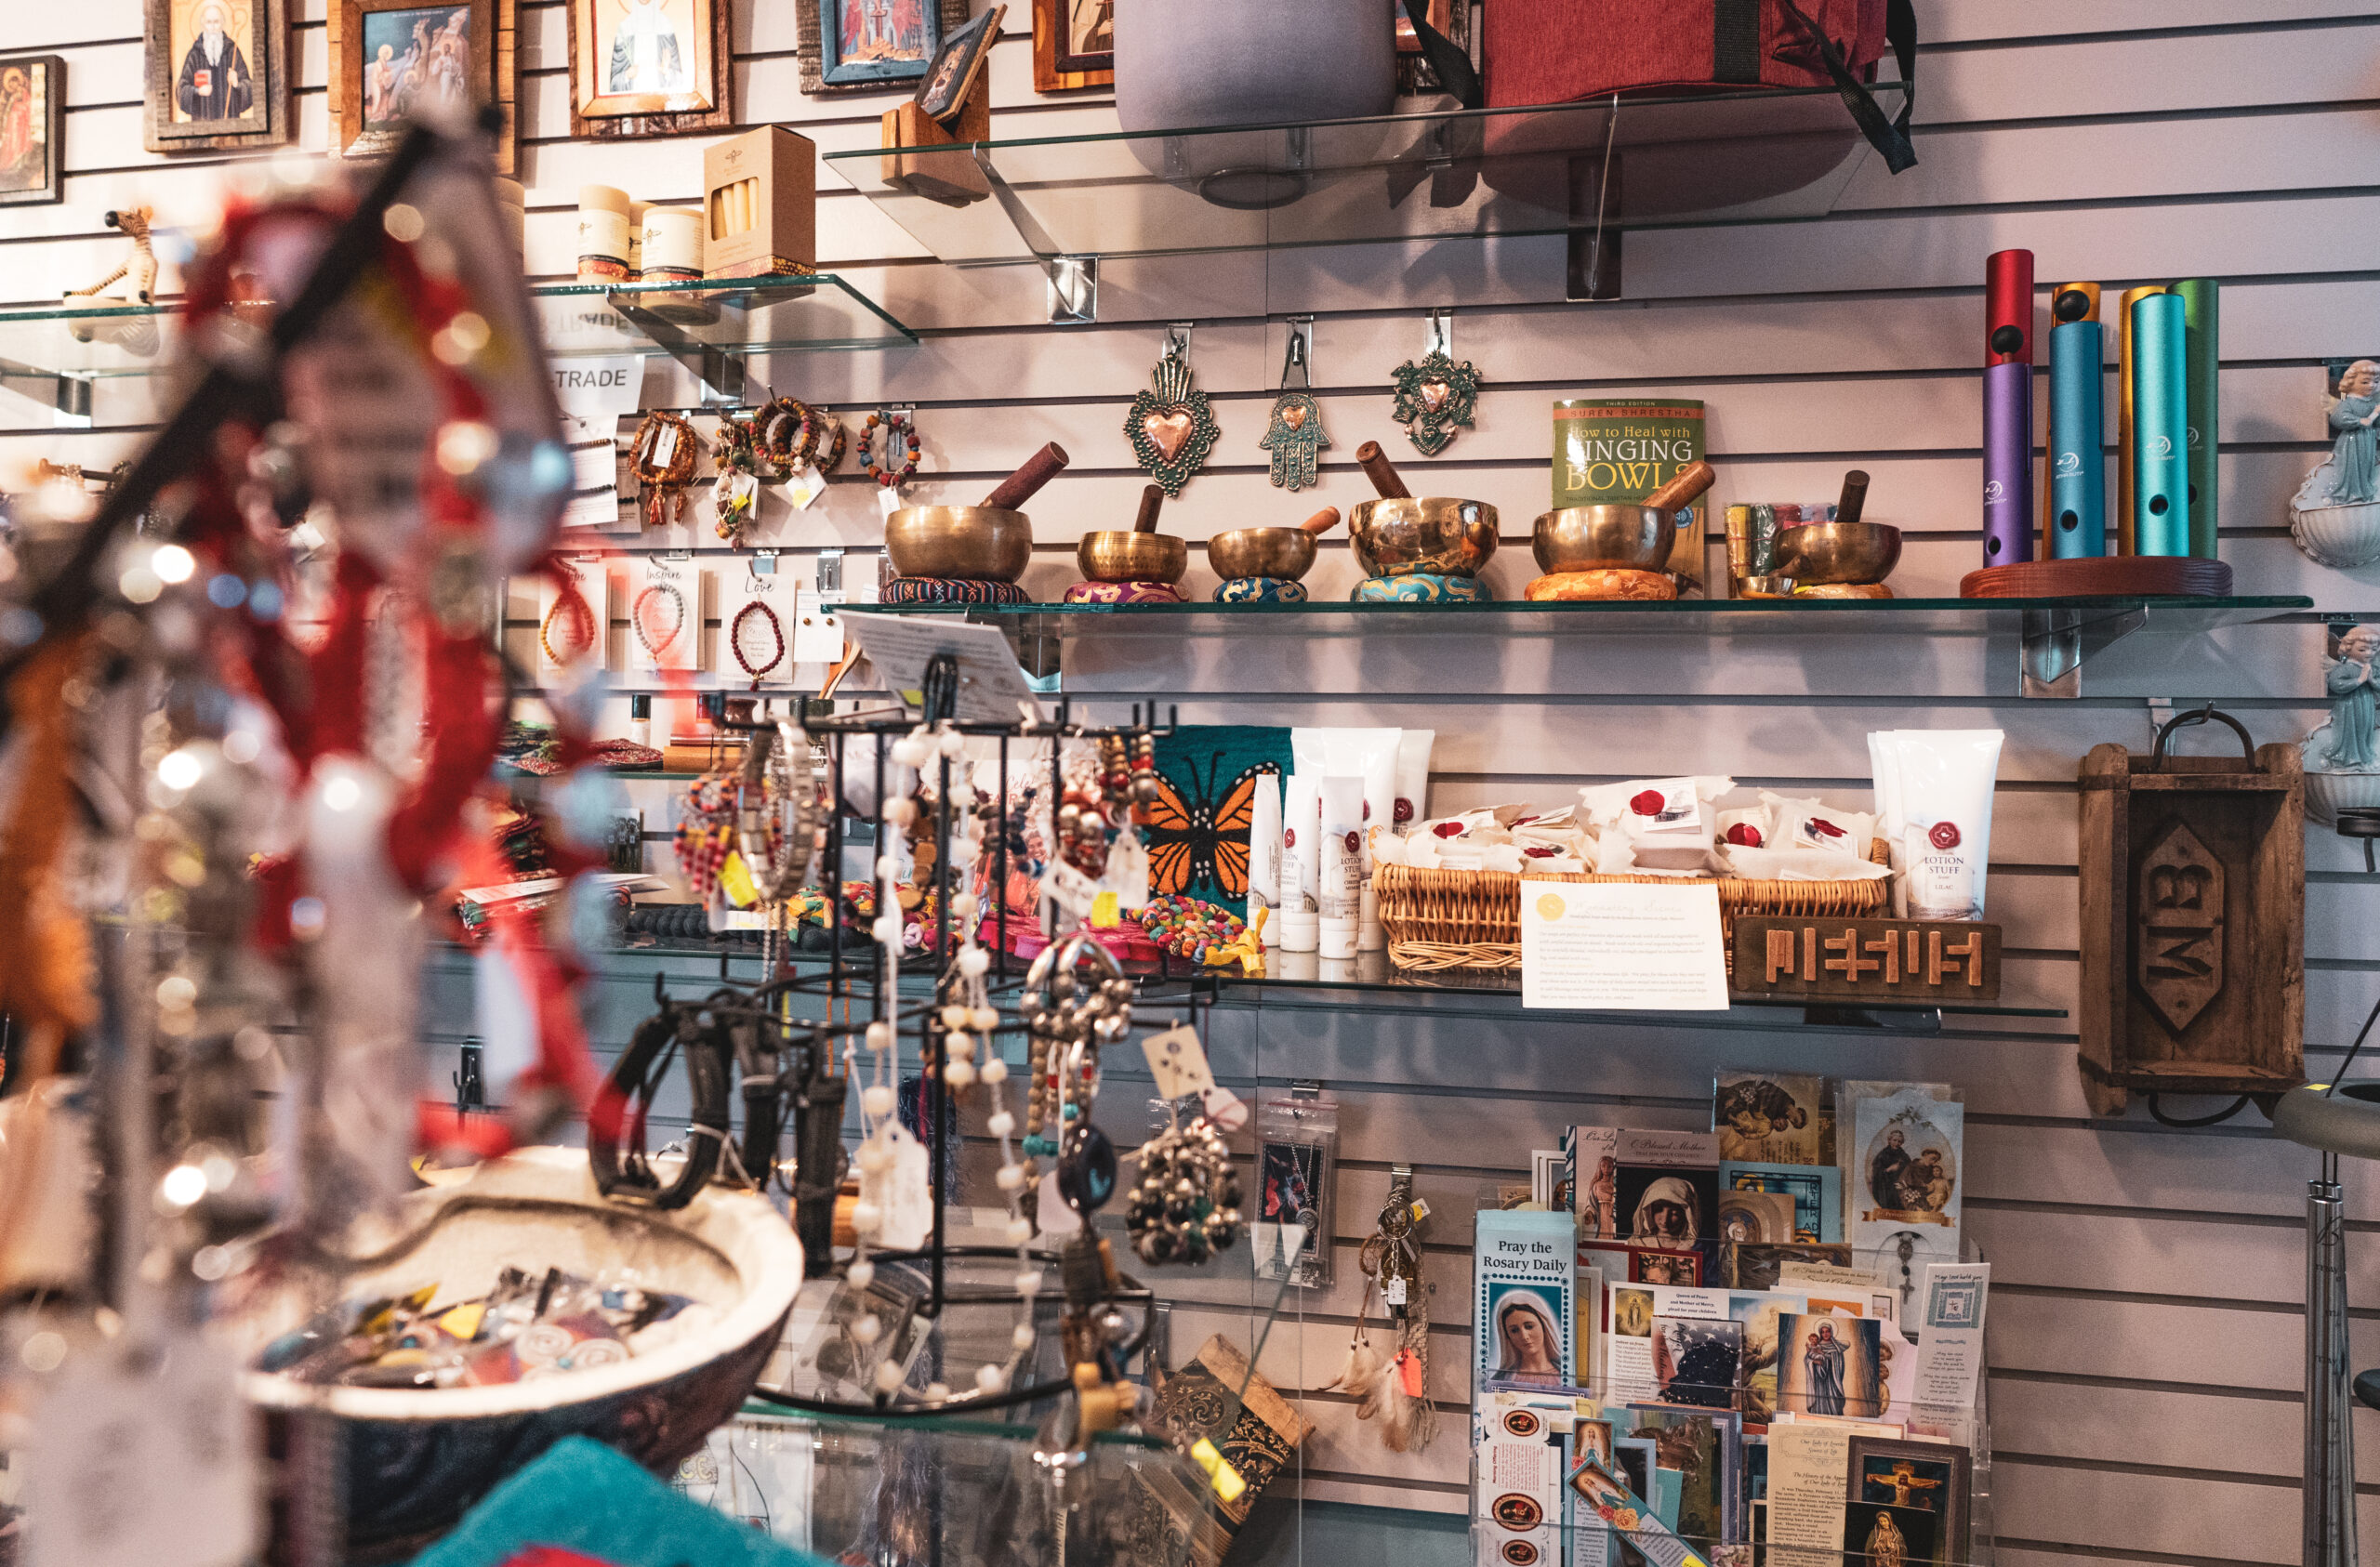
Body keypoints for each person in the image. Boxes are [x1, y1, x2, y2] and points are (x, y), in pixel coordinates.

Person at [177, 1, 254, 122]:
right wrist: (198, 91)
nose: (212, 27)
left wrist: (237, 84)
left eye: (216, 22)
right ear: (203, 25)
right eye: (209, 22)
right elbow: (181, 90)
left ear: (222, 24)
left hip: (230, 123)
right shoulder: (194, 54)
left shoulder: (232, 51)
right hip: (201, 125)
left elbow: (250, 88)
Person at [2318, 625, 2380, 771]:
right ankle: (2349, 757)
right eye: (2362, 650)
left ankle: (2365, 756)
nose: (2369, 653)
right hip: (2349, 706)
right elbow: (2335, 683)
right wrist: (2359, 680)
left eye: (2373, 649)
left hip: (2367, 704)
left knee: (2365, 729)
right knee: (2350, 730)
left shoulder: (2373, 669)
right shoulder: (2345, 668)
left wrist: (2372, 681)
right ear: (2349, 648)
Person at [608, 0, 690, 95]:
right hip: (632, 101)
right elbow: (614, 84)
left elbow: (679, 82)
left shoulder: (665, 26)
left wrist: (667, 72)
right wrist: (626, 75)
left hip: (660, 99)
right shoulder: (625, 28)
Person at [1494, 1293, 1564, 1386]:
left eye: (1529, 1326)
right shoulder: (1500, 1380)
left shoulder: (1564, 1374)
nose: (1524, 1336)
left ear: (1544, 1327)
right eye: (1514, 1330)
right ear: (1507, 1337)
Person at [1630, 1175, 1699, 1244]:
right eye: (1659, 1210)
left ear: (1686, 1214)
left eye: (1674, 1214)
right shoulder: (1636, 1243)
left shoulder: (1695, 1247)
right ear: (1649, 1210)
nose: (1664, 1221)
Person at [1802, 1321, 1847, 1416]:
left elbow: (1839, 1362)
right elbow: (1807, 1359)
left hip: (1832, 1377)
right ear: (1820, 1333)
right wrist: (1814, 1362)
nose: (1825, 1334)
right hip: (1818, 1378)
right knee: (1820, 1399)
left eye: (1827, 1331)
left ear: (1831, 1332)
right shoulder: (1816, 1345)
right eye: (1823, 1332)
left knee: (1833, 1401)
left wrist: (1824, 1355)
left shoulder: (1836, 1346)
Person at [1869, 1128, 1911, 1213]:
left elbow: (1910, 1170)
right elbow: (1876, 1173)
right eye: (1894, 1140)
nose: (1897, 1143)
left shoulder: (1904, 1156)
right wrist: (1889, 1169)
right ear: (1889, 1140)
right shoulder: (1882, 1155)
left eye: (1899, 1141)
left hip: (1899, 1188)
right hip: (1885, 1188)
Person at [1587, 1154, 1618, 1237]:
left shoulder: (1614, 1185)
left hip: (1612, 1214)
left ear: (1613, 1168)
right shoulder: (1597, 1184)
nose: (1606, 1169)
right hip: (1601, 1214)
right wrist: (1589, 1213)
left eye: (1609, 1166)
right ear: (1600, 1167)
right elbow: (1591, 1203)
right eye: (1603, 1166)